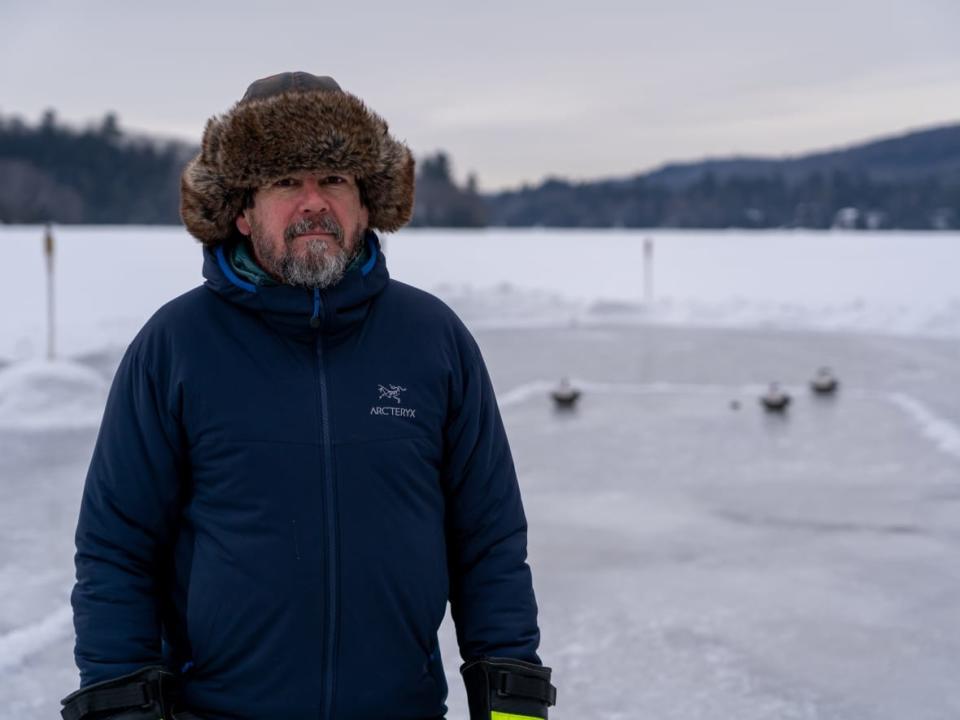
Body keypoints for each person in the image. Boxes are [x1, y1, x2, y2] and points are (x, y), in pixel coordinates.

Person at [61, 72, 556, 720]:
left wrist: (514, 707)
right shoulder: (174, 348)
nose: (313, 202)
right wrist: (120, 708)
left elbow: (488, 541)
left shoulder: (433, 341)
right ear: (242, 209)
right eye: (286, 182)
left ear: (365, 204)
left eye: (335, 179)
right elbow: (117, 548)